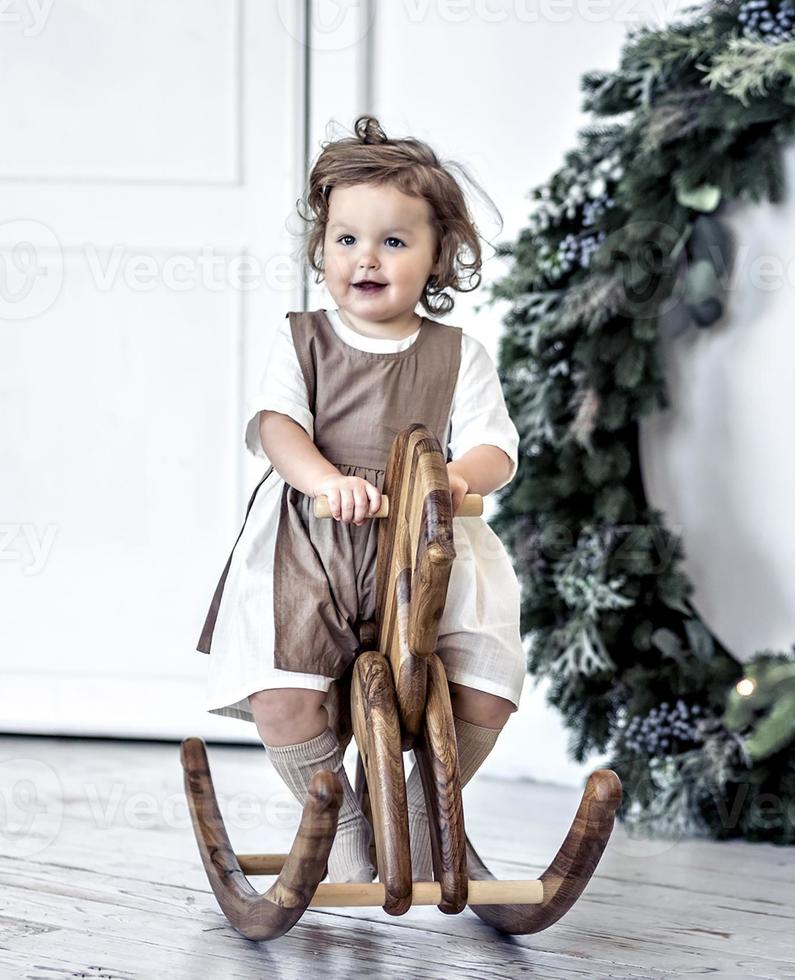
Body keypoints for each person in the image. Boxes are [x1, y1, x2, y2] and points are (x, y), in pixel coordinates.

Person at [195, 115, 525, 883]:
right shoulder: (304, 339)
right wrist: (323, 481)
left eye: (394, 242)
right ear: (322, 250)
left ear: (439, 254)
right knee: (285, 688)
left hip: (423, 550)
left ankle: (414, 810)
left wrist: (458, 476)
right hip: (313, 545)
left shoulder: (458, 353)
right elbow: (277, 426)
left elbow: (494, 445)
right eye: (346, 240)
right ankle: (338, 817)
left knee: (483, 678)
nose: (365, 259)